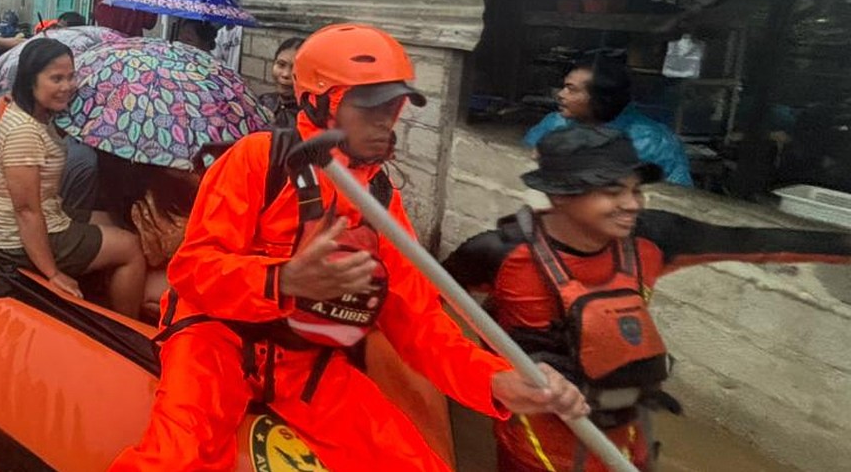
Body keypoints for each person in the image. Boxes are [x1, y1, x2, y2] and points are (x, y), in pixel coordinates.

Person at [110, 23, 588, 471]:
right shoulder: (259, 160)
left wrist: (495, 382)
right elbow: (193, 269)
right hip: (216, 340)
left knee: (410, 461)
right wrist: (284, 279)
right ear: (321, 102)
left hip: (302, 357)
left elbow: (418, 321)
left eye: (393, 107)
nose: (386, 123)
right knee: (176, 456)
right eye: (370, 107)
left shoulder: (379, 198)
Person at [446, 125, 851, 471]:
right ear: (560, 196)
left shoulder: (653, 236)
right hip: (536, 442)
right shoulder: (498, 253)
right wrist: (486, 378)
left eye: (635, 190)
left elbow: (753, 242)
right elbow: (428, 308)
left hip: (626, 427)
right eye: (612, 191)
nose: (631, 204)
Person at [0, 38, 147, 318]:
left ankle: (107, 283)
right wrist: (53, 273)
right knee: (131, 246)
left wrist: (118, 98)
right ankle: (128, 326)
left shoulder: (39, 114)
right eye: (56, 78)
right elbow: (26, 211)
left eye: (70, 76)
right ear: (31, 80)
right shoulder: (24, 133)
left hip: (50, 212)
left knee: (118, 218)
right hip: (12, 239)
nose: (67, 86)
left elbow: (71, 133)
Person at [524, 53, 693, 186]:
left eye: (571, 90)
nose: (561, 95)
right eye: (564, 87)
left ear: (600, 98)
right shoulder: (554, 123)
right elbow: (525, 165)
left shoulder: (654, 141)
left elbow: (679, 197)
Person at [259, 36, 306, 127]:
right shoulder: (264, 102)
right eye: (281, 65)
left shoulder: (310, 117)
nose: (286, 74)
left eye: (295, 69)